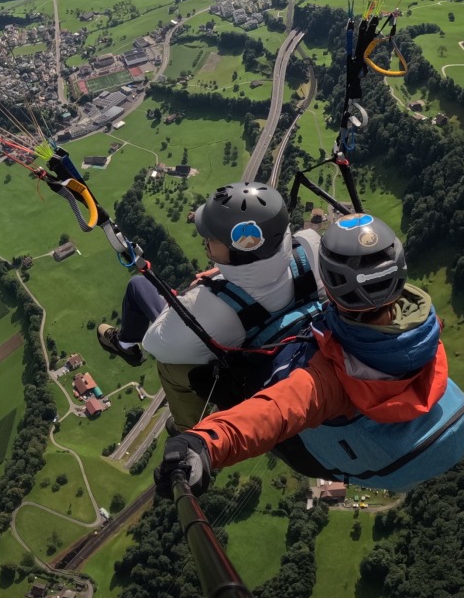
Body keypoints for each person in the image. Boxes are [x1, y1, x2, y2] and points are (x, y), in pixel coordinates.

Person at [154, 213, 464, 495]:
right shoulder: (423, 323)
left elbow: (273, 412)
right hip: (438, 431)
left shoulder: (332, 376)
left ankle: (185, 425)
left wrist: (202, 443)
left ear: (327, 289)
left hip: (338, 458)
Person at [96, 180, 321, 430]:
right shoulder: (311, 248)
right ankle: (125, 344)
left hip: (253, 377)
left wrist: (187, 300)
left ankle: (188, 429)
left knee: (141, 292)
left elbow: (153, 343)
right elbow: (267, 269)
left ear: (237, 253)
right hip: (305, 350)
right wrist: (223, 275)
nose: (205, 241)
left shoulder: (207, 310)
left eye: (212, 239)